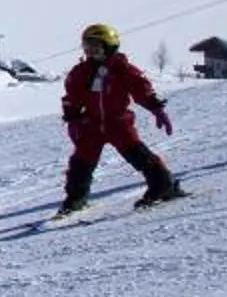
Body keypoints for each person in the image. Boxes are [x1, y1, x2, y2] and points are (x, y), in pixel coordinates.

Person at [59, 23, 182, 213]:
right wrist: (72, 118)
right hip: (90, 124)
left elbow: (141, 89)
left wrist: (156, 108)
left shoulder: (122, 69)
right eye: (87, 48)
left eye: (96, 47)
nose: (91, 52)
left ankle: (163, 185)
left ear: (109, 47)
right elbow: (72, 97)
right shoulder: (81, 72)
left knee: (137, 154)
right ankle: (76, 198)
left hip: (118, 122)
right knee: (81, 162)